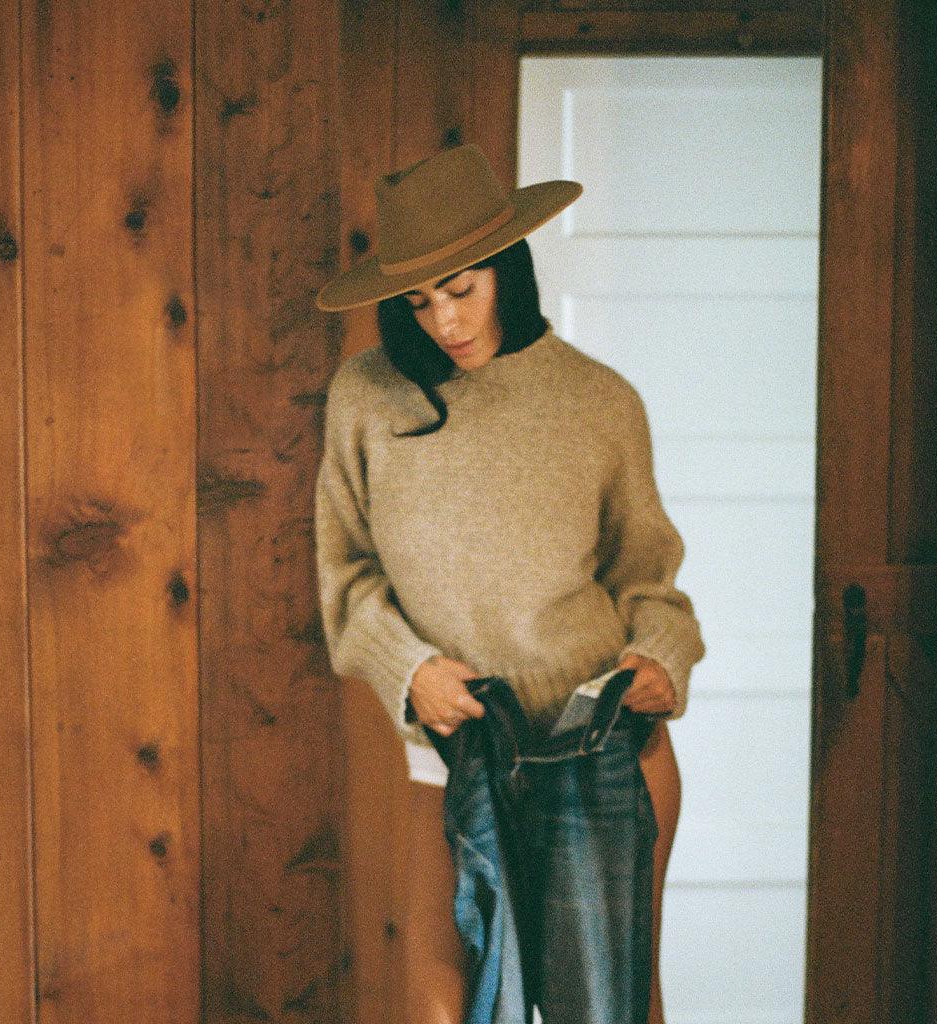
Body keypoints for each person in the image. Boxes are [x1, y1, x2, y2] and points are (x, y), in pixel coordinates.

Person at [314, 143, 705, 1024]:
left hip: (601, 738)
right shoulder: (368, 398)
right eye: (417, 301)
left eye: (463, 288)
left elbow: (648, 578)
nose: (444, 321)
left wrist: (660, 659)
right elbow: (344, 571)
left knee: (613, 1005)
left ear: (508, 268)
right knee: (445, 1006)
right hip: (457, 743)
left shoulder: (599, 402)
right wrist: (409, 670)